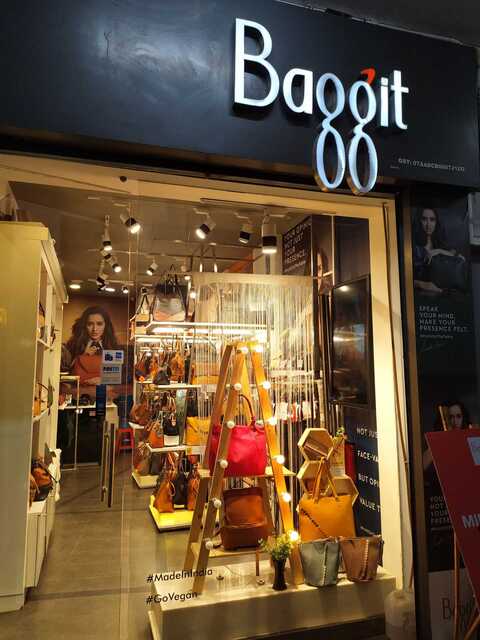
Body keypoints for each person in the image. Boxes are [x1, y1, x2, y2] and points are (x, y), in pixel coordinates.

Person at [413, 207, 463, 293]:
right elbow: (402, 277)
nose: (428, 224)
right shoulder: (413, 246)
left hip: (446, 292)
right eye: (424, 219)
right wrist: (422, 284)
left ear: (436, 222)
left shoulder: (441, 243)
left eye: (432, 219)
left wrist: (439, 251)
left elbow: (460, 258)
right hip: (422, 294)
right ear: (419, 221)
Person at [65, 306, 119, 385]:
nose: (94, 329)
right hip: (77, 389)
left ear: (106, 325)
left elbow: (118, 375)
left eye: (99, 324)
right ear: (84, 325)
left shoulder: (112, 345)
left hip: (104, 389)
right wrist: (83, 355)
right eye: (90, 324)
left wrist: (104, 380)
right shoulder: (73, 344)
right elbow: (65, 372)